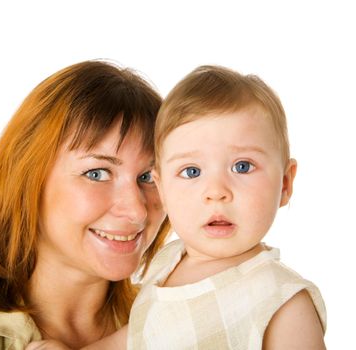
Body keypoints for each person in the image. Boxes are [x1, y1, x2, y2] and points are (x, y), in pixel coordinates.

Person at [30, 65, 327, 350]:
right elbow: (139, 338)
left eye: (242, 166)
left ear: (285, 184)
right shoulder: (167, 263)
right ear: (162, 188)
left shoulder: (282, 301)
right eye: (192, 172)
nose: (216, 192)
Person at [0, 60, 170, 349]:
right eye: (96, 173)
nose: (136, 210)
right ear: (26, 181)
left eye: (148, 176)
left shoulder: (181, 324)